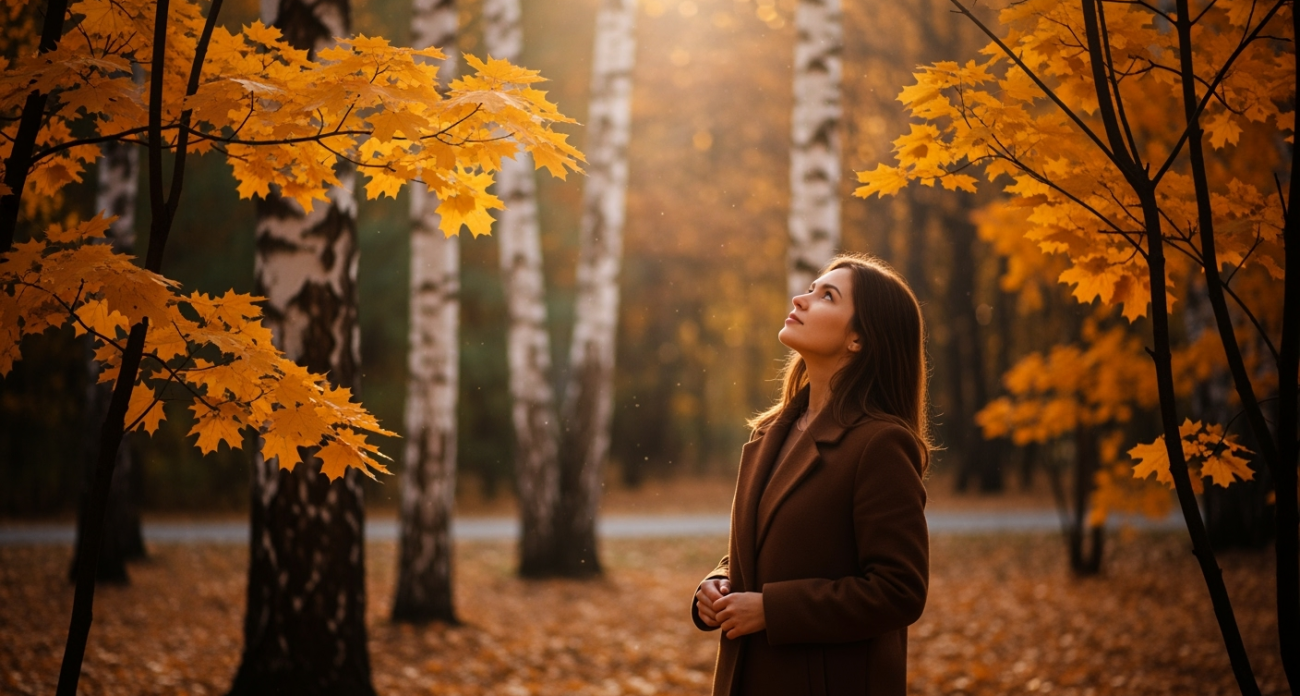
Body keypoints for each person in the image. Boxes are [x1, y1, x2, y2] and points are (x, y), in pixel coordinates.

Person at [690, 253, 931, 696]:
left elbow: (900, 590)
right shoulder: (771, 431)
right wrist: (715, 584)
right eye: (811, 288)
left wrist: (773, 611)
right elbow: (766, 546)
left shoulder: (879, 443)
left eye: (826, 296)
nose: (801, 299)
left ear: (858, 339)